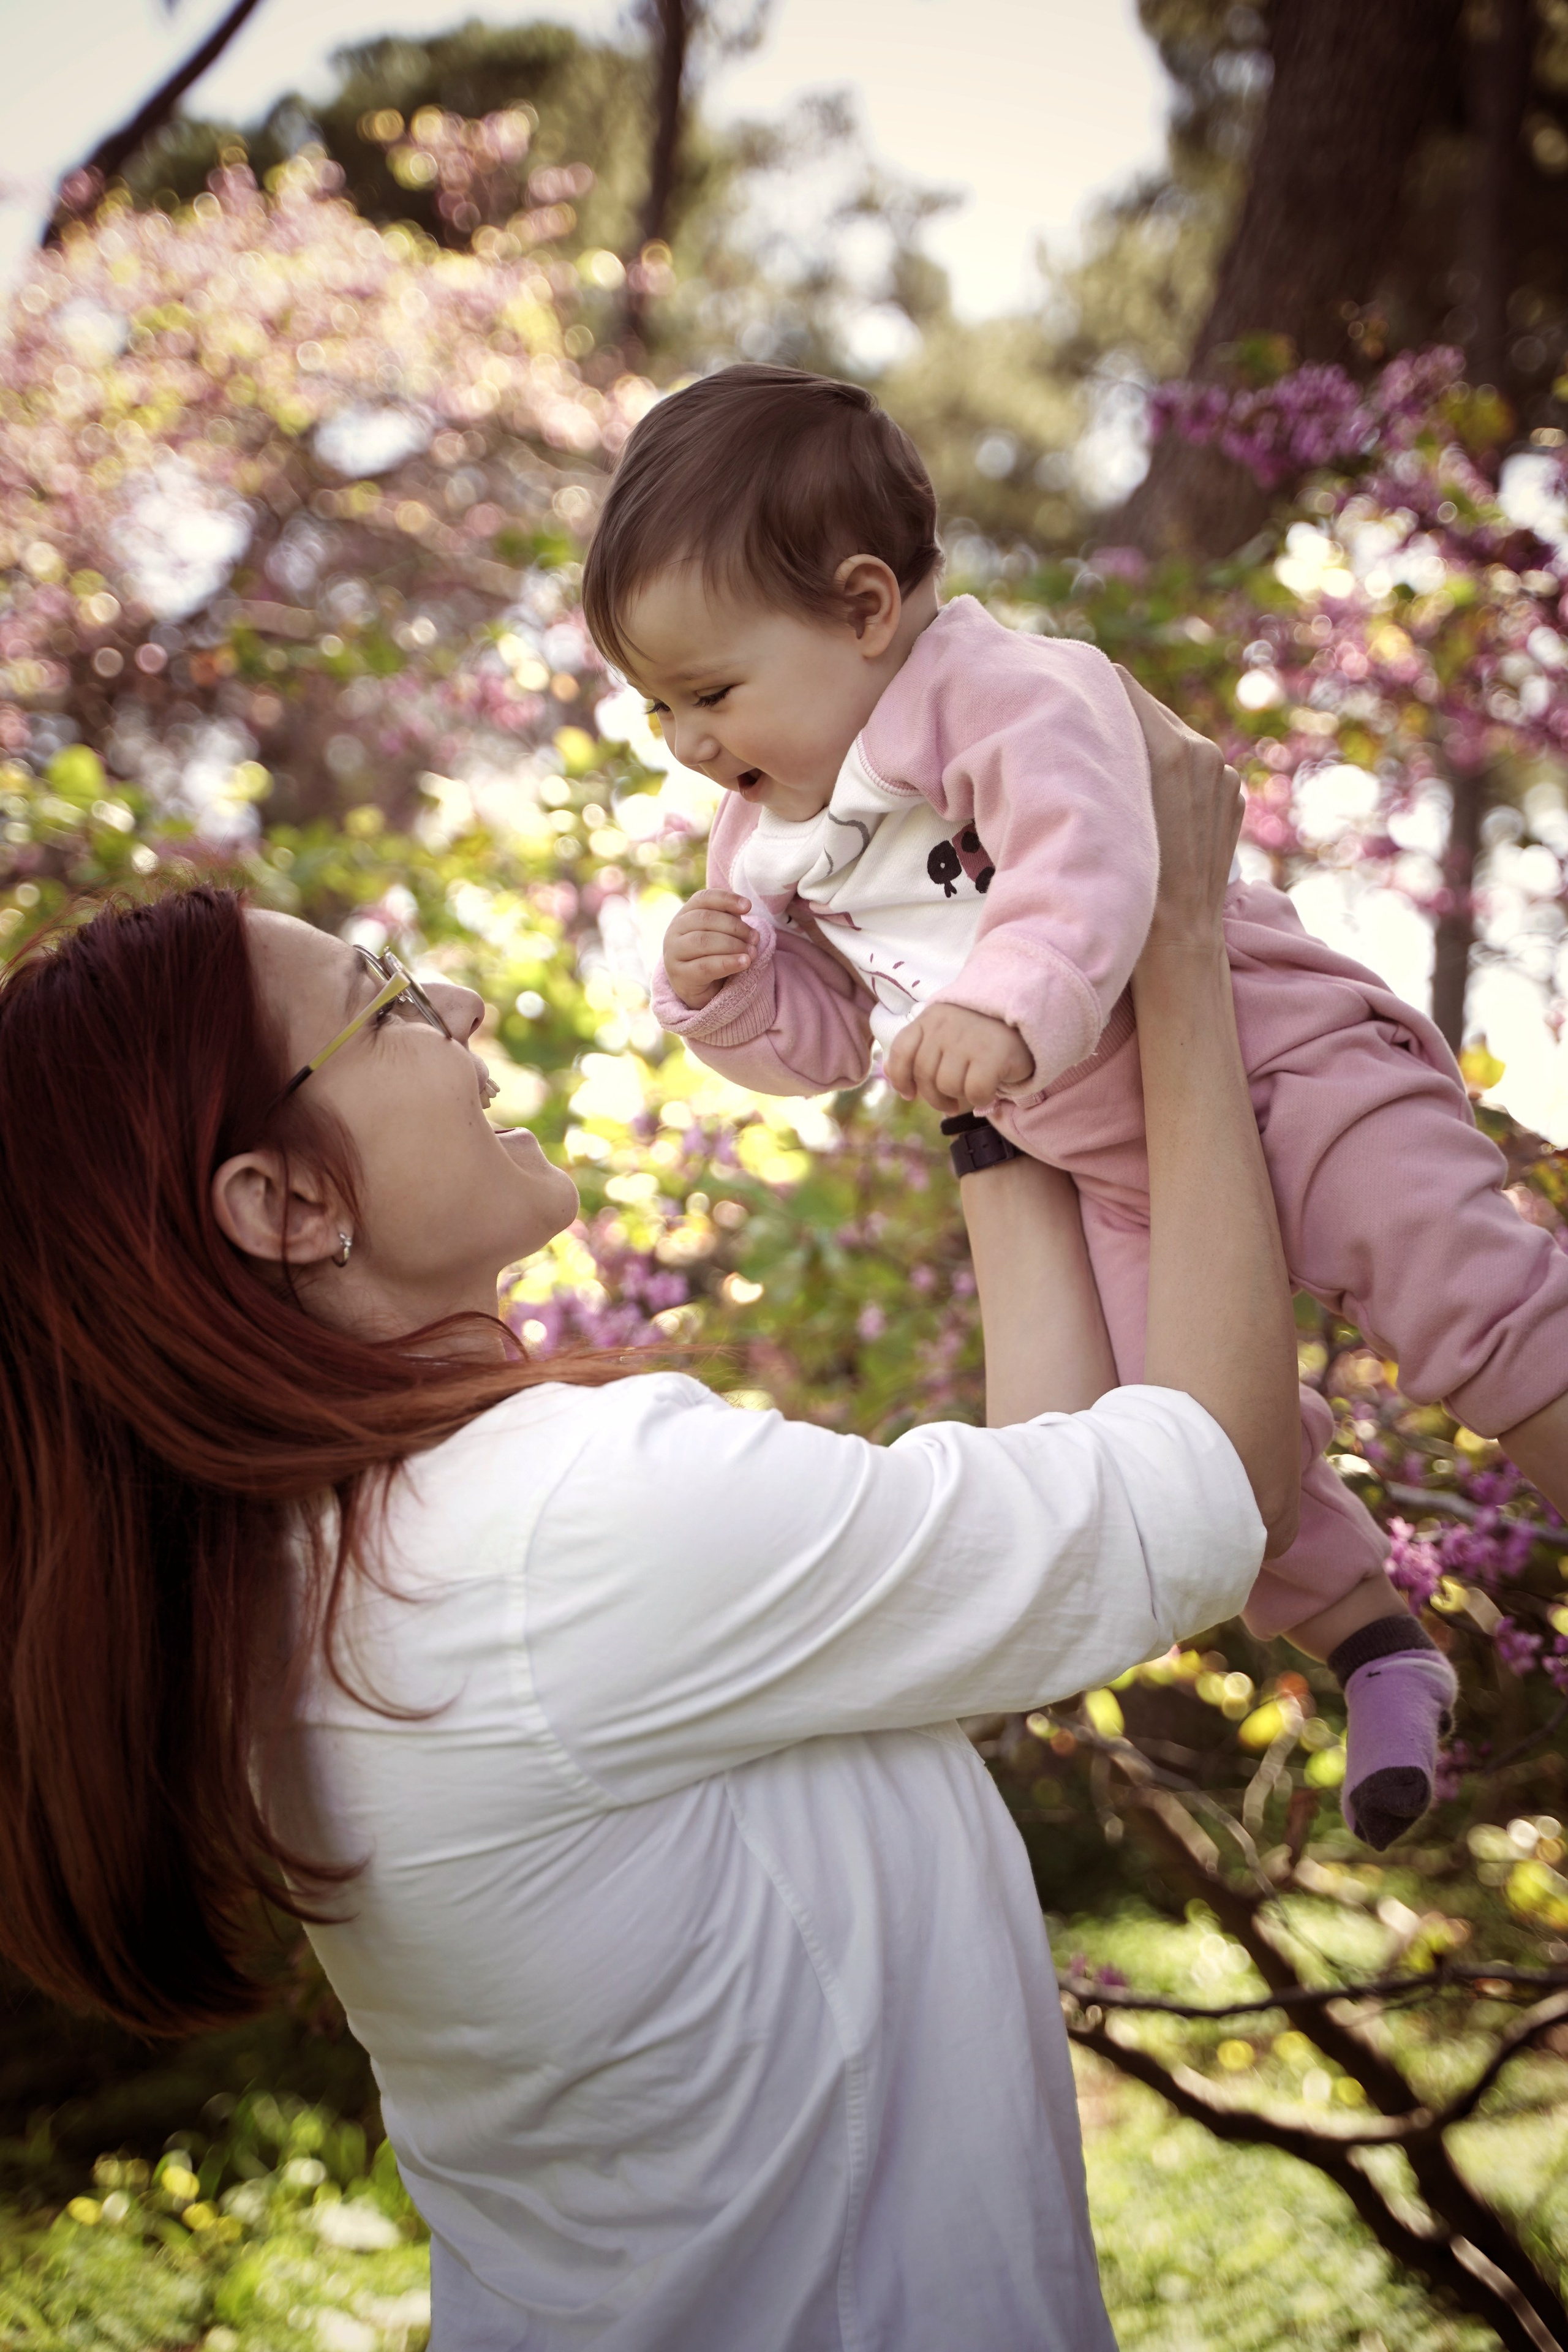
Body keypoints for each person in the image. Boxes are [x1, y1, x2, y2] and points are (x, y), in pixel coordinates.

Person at [0, 687, 1291, 2348]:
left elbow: (1026, 1565)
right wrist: (1173, 938)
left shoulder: (322, 1576)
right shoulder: (558, 1529)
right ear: (284, 1203)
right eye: (385, 1002)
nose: (456, 1000)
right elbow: (1214, 1485)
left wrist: (993, 1060)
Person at [581, 360, 1568, 1852]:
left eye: (708, 693)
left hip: (1275, 1060)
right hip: (1118, 1171)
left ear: (861, 609)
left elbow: (1091, 860)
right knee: (1182, 1441)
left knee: (1459, 1295)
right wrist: (730, 1000)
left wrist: (999, 1009)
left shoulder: (1000, 690)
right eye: (656, 707)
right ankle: (1374, 1642)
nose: (685, 743)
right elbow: (834, 1036)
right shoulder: (766, 838)